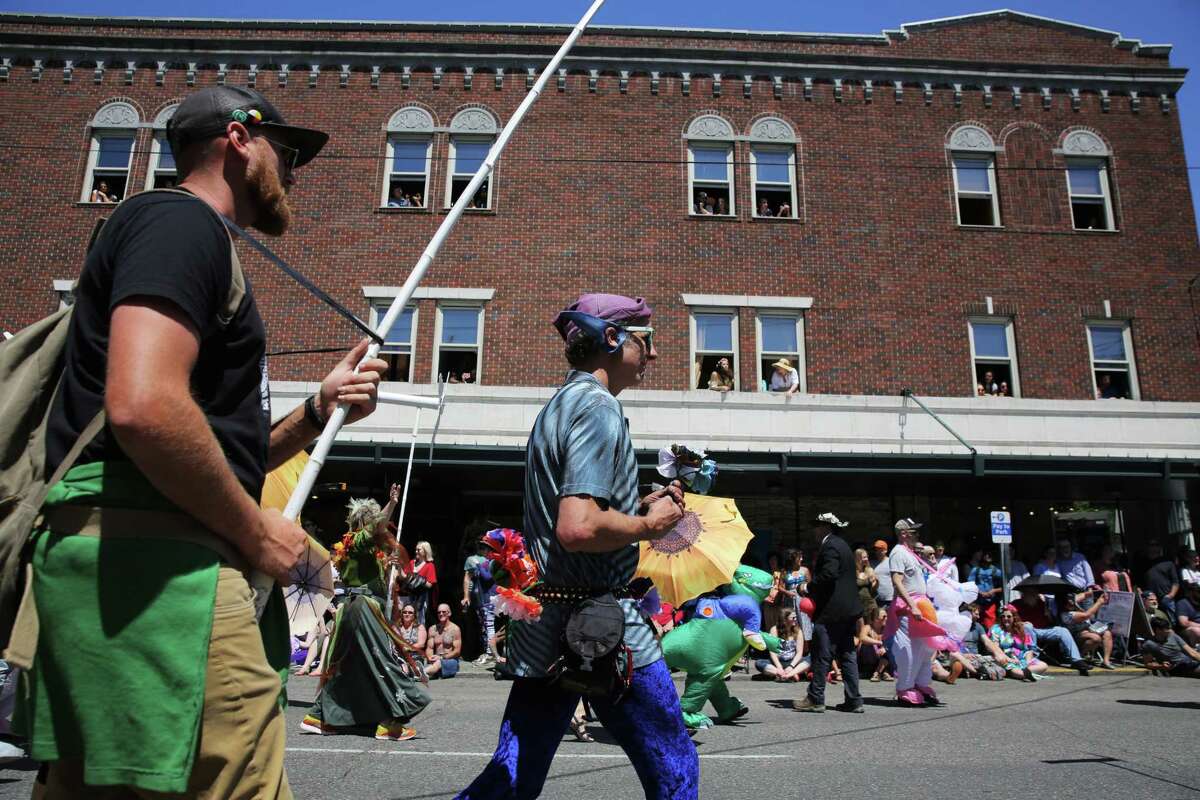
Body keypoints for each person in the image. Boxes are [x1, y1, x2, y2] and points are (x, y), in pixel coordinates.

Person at [17, 85, 395, 798]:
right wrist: (255, 531)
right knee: (240, 781)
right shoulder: (178, 223)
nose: (292, 175)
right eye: (286, 155)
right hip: (157, 567)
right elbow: (144, 406)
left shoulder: (182, 235)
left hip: (132, 558)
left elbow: (200, 441)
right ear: (237, 139)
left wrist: (317, 410)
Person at [457, 293, 696, 799]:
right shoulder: (599, 408)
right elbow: (579, 526)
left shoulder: (559, 405)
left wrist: (634, 509)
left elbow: (576, 514)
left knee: (514, 772)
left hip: (549, 622)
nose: (652, 355)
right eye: (645, 341)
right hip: (606, 625)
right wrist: (650, 525)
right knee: (676, 763)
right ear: (612, 339)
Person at [302, 499, 431, 740]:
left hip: (352, 609)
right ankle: (389, 722)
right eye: (377, 524)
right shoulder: (358, 540)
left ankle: (319, 716)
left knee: (348, 667)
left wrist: (390, 568)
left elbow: (375, 578)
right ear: (366, 522)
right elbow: (375, 528)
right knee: (382, 661)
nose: (383, 529)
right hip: (364, 610)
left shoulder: (358, 548)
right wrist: (392, 503)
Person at [794, 513, 863, 713]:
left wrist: (807, 587)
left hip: (832, 611)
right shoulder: (843, 545)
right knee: (848, 654)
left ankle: (815, 697)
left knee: (822, 654)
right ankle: (854, 699)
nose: (814, 530)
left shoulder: (830, 546)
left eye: (816, 526)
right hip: (848, 610)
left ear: (825, 528)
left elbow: (829, 574)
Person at [886, 517, 941, 707]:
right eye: (914, 532)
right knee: (908, 649)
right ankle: (905, 687)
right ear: (903, 534)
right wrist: (912, 605)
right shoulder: (898, 553)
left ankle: (921, 683)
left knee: (926, 647)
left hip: (921, 603)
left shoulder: (910, 553)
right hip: (909, 606)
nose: (918, 535)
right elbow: (897, 581)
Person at [1013, 590, 1092, 674]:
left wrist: (1048, 613)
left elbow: (1049, 619)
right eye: (1031, 593)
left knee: (1062, 630)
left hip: (1043, 629)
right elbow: (1011, 619)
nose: (1034, 595)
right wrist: (1020, 623)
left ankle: (1077, 660)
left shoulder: (1041, 603)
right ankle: (1033, 657)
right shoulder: (1016, 604)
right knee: (1027, 626)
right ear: (1024, 594)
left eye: (1035, 593)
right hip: (1027, 630)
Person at [463, 540, 498, 664]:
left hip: (491, 597)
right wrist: (466, 596)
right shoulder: (473, 559)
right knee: (484, 624)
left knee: (489, 625)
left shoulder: (494, 560)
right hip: (481, 597)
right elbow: (467, 577)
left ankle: (490, 653)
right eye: (485, 548)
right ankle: (487, 652)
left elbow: (489, 578)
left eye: (490, 549)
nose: (488, 551)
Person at [990, 606, 1047, 681]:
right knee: (1019, 673)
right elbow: (996, 649)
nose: (1005, 618)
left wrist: (1027, 662)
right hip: (1006, 659)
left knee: (1044, 665)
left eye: (1009, 616)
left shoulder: (1022, 629)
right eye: (1003, 616)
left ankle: (1025, 673)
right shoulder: (996, 629)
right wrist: (1009, 659)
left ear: (1014, 618)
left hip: (1022, 658)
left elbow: (1029, 650)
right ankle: (1023, 674)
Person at [755, 609, 808, 682]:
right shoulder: (774, 629)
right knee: (759, 663)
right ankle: (785, 674)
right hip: (777, 662)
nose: (795, 619)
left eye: (795, 617)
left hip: (792, 662)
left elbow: (799, 652)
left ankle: (787, 675)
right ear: (785, 620)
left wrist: (791, 666)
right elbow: (772, 652)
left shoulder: (798, 631)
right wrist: (779, 666)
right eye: (793, 618)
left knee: (810, 659)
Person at [426, 604, 463, 679]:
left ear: (449, 613)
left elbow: (457, 651)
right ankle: (422, 674)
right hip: (436, 660)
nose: (441, 614)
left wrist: (441, 657)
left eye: (444, 612)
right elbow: (429, 648)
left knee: (438, 664)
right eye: (439, 612)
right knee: (434, 666)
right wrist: (430, 657)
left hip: (450, 660)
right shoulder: (432, 629)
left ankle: (419, 673)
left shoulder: (455, 629)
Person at [1143, 540, 1180, 614]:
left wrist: (1171, 595)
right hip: (1151, 598)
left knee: (1173, 621)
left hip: (1166, 598)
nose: (1153, 548)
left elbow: (1175, 582)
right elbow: (1138, 582)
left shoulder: (1168, 562)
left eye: (1156, 545)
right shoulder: (1143, 564)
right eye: (1151, 545)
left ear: (1160, 547)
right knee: (1154, 620)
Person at [968, 549, 1003, 627]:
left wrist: (994, 591)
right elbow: (969, 586)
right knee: (976, 623)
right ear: (982, 556)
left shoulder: (997, 571)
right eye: (986, 554)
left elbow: (1003, 588)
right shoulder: (975, 570)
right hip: (977, 603)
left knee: (989, 625)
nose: (988, 556)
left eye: (990, 554)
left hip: (990, 604)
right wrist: (980, 592)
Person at [857, 608, 892, 682]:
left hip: (883, 659)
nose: (886, 618)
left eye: (887, 616)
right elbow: (862, 638)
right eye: (884, 617)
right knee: (866, 645)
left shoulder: (887, 629)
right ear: (876, 619)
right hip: (869, 659)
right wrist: (879, 643)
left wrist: (884, 647)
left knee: (890, 647)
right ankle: (883, 672)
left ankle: (878, 672)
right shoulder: (868, 627)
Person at [853, 547, 878, 619]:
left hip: (871, 604)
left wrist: (876, 582)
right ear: (857, 558)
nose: (866, 559)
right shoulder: (852, 572)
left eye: (867, 557)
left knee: (873, 628)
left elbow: (874, 589)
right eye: (864, 557)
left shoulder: (869, 570)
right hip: (859, 605)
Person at [871, 539, 893, 608]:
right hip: (877, 598)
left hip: (890, 598)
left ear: (885, 550)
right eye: (876, 549)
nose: (877, 551)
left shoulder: (891, 562)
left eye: (880, 549)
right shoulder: (872, 563)